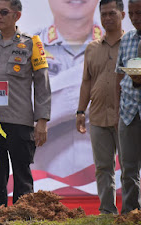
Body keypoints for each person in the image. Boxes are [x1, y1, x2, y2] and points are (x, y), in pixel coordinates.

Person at [0, 0, 51, 214]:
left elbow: (42, 84)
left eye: (4, 12)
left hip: (20, 121)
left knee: (22, 176)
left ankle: (23, 218)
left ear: (17, 16)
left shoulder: (32, 43)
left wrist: (42, 121)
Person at [31, 0, 101, 177]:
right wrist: (93, 82)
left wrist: (52, 97)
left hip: (109, 180)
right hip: (43, 182)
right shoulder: (28, 45)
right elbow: (25, 110)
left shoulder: (121, 46)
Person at [76, 0, 125, 215]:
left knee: (129, 168)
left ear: (122, 14)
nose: (107, 18)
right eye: (103, 14)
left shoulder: (133, 44)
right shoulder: (92, 48)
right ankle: (107, 211)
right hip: (97, 116)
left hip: (127, 116)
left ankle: (133, 211)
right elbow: (86, 81)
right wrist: (80, 111)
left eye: (111, 13)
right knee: (103, 167)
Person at [115, 0, 141, 214]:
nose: (135, 17)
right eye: (131, 13)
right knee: (129, 167)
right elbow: (119, 76)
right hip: (129, 111)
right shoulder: (127, 40)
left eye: (139, 12)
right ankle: (130, 213)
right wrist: (118, 108)